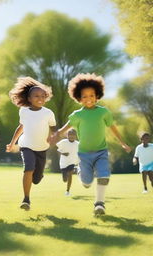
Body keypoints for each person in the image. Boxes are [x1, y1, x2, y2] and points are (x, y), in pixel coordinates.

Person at [55, 73, 131, 216]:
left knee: (103, 176)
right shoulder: (77, 115)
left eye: (92, 95)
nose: (89, 99)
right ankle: (82, 174)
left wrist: (123, 143)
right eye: (84, 96)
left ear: (97, 96)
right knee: (87, 182)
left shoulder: (103, 112)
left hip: (101, 151)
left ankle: (99, 204)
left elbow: (113, 128)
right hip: (84, 154)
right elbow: (64, 128)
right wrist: (55, 135)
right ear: (79, 98)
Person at [6, 77, 56, 211]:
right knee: (28, 168)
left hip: (42, 148)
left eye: (42, 96)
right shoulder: (24, 111)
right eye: (36, 96)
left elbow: (53, 128)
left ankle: (39, 174)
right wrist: (12, 143)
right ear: (29, 98)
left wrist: (52, 137)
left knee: (37, 179)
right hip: (26, 145)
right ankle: (26, 199)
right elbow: (20, 127)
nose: (40, 98)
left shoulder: (48, 113)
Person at [56, 128, 79, 196]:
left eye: (73, 135)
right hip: (63, 163)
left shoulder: (78, 144)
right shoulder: (63, 142)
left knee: (70, 175)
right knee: (64, 179)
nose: (72, 136)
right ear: (67, 135)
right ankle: (65, 179)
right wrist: (63, 153)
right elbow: (57, 149)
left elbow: (82, 151)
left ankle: (67, 191)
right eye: (70, 134)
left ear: (76, 136)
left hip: (72, 162)